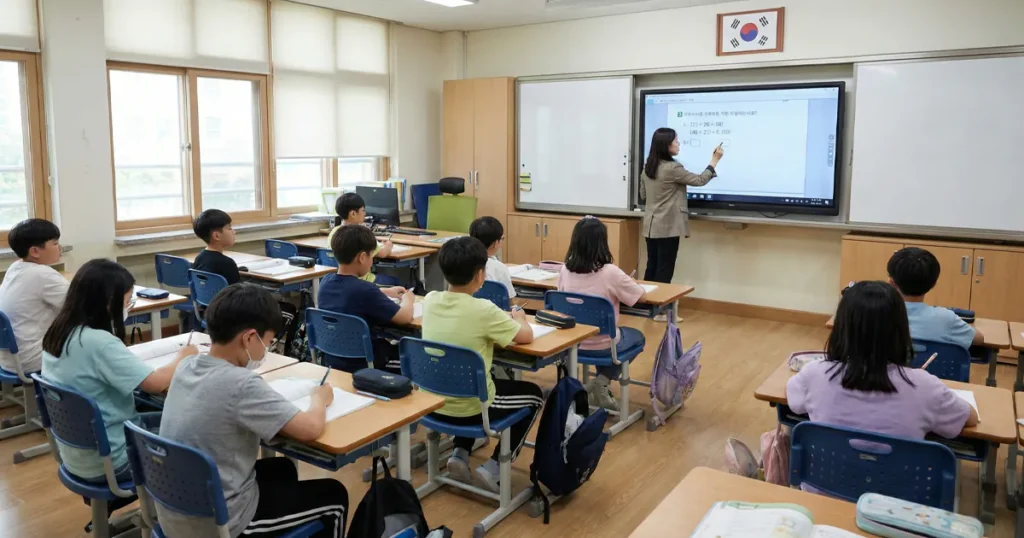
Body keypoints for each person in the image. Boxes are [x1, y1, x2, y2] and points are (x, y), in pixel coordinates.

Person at [158, 284, 347, 538]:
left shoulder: (187, 366)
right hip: (223, 523)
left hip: (176, 507)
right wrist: (319, 399)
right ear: (248, 338)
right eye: (267, 342)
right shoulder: (242, 384)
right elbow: (310, 428)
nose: (267, 350)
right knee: (334, 495)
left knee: (283, 470)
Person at [41, 259, 195, 483]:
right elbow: (155, 383)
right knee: (193, 424)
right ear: (108, 303)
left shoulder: (59, 331)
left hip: (78, 454)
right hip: (115, 459)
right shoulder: (98, 342)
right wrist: (183, 357)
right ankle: (179, 505)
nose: (127, 307)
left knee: (163, 415)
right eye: (126, 301)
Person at [787, 281, 978, 442]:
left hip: (822, 485)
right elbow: (969, 418)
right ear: (901, 329)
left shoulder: (815, 373)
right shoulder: (924, 386)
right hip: (900, 486)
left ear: (841, 327)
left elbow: (794, 401)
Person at [421, 237, 541, 492]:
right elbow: (526, 336)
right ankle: (495, 468)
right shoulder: (485, 310)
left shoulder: (430, 300)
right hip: (470, 408)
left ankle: (459, 453)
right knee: (534, 396)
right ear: (479, 274)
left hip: (430, 402)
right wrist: (520, 317)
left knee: (468, 379)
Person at [558, 217, 645, 409]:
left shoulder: (565, 269)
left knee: (610, 334)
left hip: (570, 344)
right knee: (637, 338)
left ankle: (598, 385)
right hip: (603, 344)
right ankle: (602, 381)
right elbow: (640, 297)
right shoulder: (610, 272)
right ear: (602, 243)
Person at [317, 225, 415, 372]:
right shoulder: (364, 290)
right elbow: (405, 317)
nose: (371, 261)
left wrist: (384, 291)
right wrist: (409, 299)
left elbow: (350, 293)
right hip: (368, 362)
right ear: (362, 257)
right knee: (414, 355)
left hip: (332, 358)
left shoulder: (325, 282)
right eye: (371, 256)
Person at [639, 127, 723, 285]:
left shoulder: (647, 167)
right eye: (675, 141)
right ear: (666, 145)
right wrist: (714, 160)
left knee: (652, 266)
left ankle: (646, 305)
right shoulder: (672, 168)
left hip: (651, 226)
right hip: (668, 227)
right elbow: (699, 180)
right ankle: (660, 306)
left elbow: (643, 196)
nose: (678, 143)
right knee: (664, 269)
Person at [0, 219, 69, 375]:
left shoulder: (16, 267)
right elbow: (78, 307)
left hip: (8, 358)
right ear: (35, 251)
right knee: (91, 344)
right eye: (55, 243)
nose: (60, 248)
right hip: (32, 358)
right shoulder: (43, 275)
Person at [887, 247, 983, 349]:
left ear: (891, 283)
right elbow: (979, 339)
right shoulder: (946, 319)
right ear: (934, 284)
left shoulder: (876, 313)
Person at [329, 193, 393, 283]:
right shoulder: (360, 234)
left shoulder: (334, 232)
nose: (365, 214)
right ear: (353, 213)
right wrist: (389, 245)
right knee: (395, 281)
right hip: (364, 280)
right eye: (363, 210)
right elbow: (382, 253)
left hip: (341, 280)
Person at [469, 216, 516, 300]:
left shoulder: (461, 262)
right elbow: (509, 301)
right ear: (495, 243)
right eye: (502, 238)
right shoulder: (500, 268)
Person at [191, 208, 240, 284]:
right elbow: (238, 292)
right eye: (229, 228)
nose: (234, 232)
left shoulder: (199, 258)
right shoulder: (227, 263)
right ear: (216, 236)